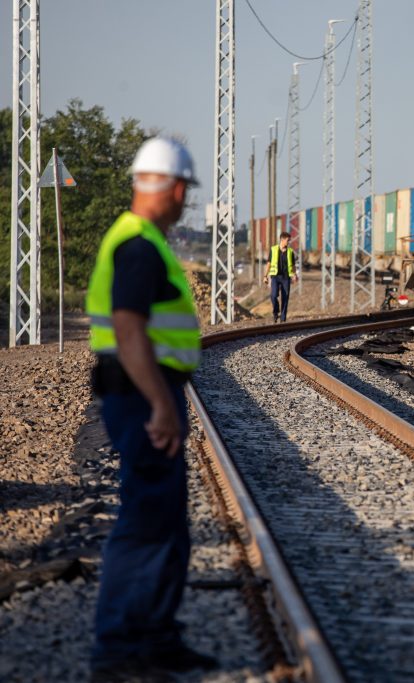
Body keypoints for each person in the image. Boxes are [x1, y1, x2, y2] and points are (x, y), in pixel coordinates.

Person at [85, 138, 217, 681]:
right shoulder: (139, 245)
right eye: (185, 192)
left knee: (165, 520)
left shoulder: (140, 240)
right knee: (144, 521)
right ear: (175, 188)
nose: (185, 202)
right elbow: (129, 330)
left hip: (143, 395)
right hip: (141, 398)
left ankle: (157, 638)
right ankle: (118, 650)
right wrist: (162, 405)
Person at [264, 231, 297, 322]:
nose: (289, 242)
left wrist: (295, 274)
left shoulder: (290, 252)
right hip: (275, 276)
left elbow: (293, 265)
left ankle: (283, 319)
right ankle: (275, 311)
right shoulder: (273, 249)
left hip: (286, 277)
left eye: (289, 240)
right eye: (287, 240)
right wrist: (265, 276)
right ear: (282, 240)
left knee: (285, 297)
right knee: (273, 295)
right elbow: (269, 263)